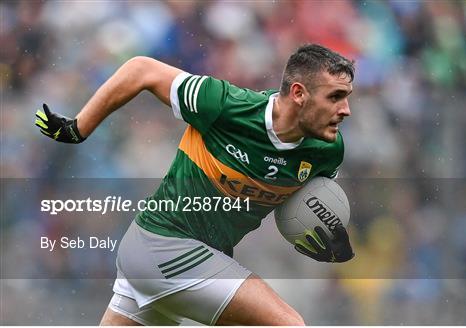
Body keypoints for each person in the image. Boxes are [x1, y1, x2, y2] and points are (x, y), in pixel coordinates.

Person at [35, 44, 355, 326]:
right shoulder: (224, 104)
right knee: (288, 324)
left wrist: (332, 237)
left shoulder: (327, 150)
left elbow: (306, 203)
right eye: (335, 97)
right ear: (298, 93)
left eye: (347, 97)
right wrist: (78, 128)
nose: (345, 110)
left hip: (173, 255)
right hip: (165, 245)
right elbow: (141, 70)